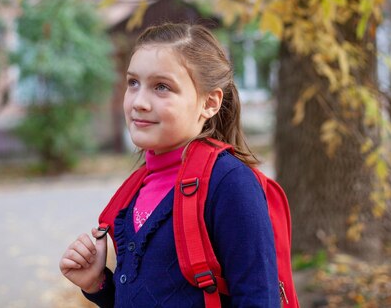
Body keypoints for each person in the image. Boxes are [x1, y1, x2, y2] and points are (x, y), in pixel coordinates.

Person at [59, 22, 280, 307]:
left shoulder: (229, 183)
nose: (139, 102)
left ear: (210, 103)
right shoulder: (135, 189)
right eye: (133, 83)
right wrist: (98, 284)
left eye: (161, 87)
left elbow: (259, 300)